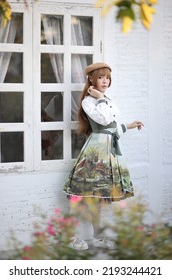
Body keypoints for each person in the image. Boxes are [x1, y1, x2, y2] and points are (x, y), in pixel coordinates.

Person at [63, 62, 144, 250]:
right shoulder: (88, 101)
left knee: (98, 195)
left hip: (109, 151)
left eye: (107, 77)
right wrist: (99, 97)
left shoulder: (106, 100)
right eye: (101, 77)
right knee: (81, 194)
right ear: (91, 79)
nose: (105, 81)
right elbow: (105, 119)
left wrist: (129, 125)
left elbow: (112, 127)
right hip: (95, 152)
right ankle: (70, 236)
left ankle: (97, 236)